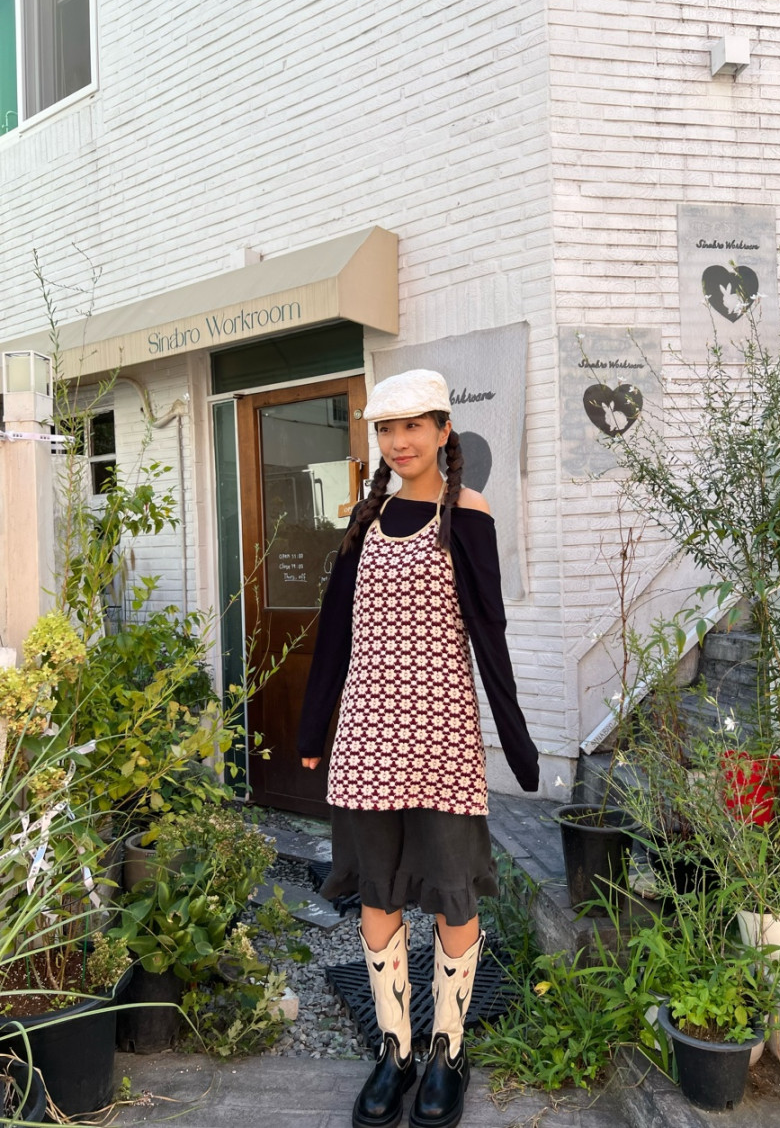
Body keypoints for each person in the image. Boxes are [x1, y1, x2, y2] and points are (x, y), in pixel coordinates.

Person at [297, 369, 540, 1128]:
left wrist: (517, 741)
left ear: (442, 430)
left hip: (442, 738)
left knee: (452, 892)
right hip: (367, 736)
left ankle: (447, 1051)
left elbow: (489, 632)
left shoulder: (467, 514)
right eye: (385, 429)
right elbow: (335, 631)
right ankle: (395, 1050)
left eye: (412, 426)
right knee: (377, 892)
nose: (398, 442)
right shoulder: (364, 520)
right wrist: (312, 728)